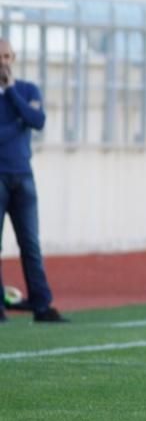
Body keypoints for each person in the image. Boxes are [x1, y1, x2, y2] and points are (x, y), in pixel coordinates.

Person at [0, 38, 67, 323]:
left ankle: (42, 305)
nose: (3, 61)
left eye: (6, 55)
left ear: (13, 57)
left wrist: (11, 90)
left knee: (30, 243)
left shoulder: (26, 89)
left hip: (23, 176)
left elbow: (37, 120)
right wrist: (18, 124)